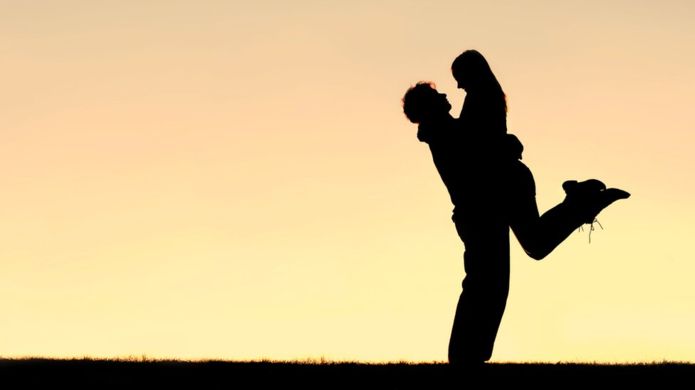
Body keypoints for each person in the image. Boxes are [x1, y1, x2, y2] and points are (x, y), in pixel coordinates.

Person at [402, 81, 629, 365]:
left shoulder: (451, 130)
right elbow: (478, 159)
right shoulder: (443, 133)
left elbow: (482, 148)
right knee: (503, 271)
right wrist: (506, 146)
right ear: (428, 106)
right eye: (437, 95)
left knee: (492, 279)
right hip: (482, 214)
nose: (446, 94)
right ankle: (578, 202)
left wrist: (505, 145)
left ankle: (466, 355)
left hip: (493, 205)